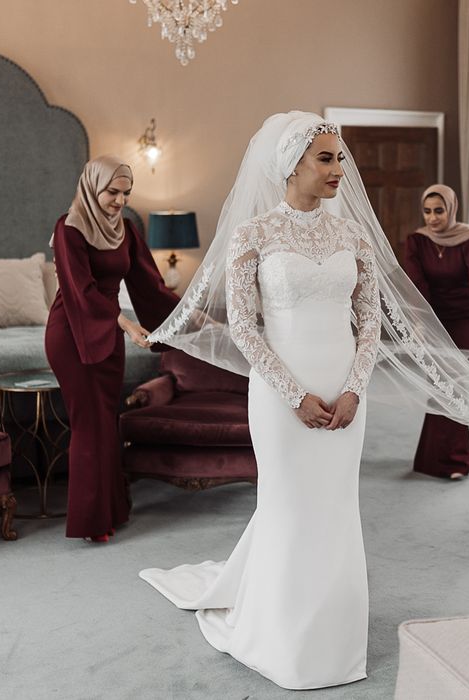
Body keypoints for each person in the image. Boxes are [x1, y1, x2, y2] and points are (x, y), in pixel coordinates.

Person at [140, 114, 381, 690]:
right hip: (280, 394)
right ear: (292, 163)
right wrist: (295, 394)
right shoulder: (255, 234)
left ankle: (336, 631)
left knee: (336, 505)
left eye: (340, 159)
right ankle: (281, 633)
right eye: (325, 159)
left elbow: (370, 319)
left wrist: (355, 387)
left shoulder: (353, 235)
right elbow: (245, 328)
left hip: (347, 388)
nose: (337, 171)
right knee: (291, 505)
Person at [45, 155, 178, 541]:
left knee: (107, 421)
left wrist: (192, 315)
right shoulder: (69, 229)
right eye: (112, 192)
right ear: (91, 187)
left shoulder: (126, 228)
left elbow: (149, 283)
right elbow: (81, 292)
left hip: (108, 330)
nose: (120, 200)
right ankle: (91, 522)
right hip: (72, 331)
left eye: (126, 193)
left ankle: (111, 509)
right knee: (89, 424)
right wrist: (126, 323)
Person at [404, 185, 469, 480]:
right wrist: (423, 323)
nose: (433, 218)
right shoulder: (416, 241)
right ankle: (431, 459)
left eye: (439, 211)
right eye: (427, 211)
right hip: (435, 317)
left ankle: (457, 460)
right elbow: (417, 285)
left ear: (451, 209)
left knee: (456, 386)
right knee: (437, 384)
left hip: (467, 319)